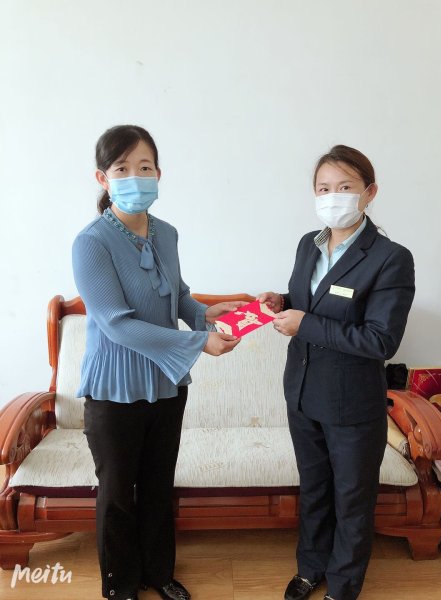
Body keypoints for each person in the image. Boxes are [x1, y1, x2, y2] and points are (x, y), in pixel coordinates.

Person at [72, 124, 243, 600]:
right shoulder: (91, 243)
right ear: (103, 178)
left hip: (167, 383)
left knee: (158, 486)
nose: (135, 176)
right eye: (122, 168)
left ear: (159, 174)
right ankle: (120, 585)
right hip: (114, 390)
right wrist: (197, 343)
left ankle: (159, 573)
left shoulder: (166, 233)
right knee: (117, 494)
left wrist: (208, 314)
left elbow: (178, 296)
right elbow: (116, 324)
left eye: (144, 167)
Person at [259, 145, 415, 600]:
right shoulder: (308, 243)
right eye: (324, 188)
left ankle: (343, 587)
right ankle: (310, 568)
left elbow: (380, 340)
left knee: (351, 500)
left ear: (369, 192)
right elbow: (312, 303)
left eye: (344, 187)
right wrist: (283, 302)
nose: (333, 197)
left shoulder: (390, 257)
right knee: (314, 490)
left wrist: (305, 323)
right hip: (302, 392)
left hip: (352, 403)